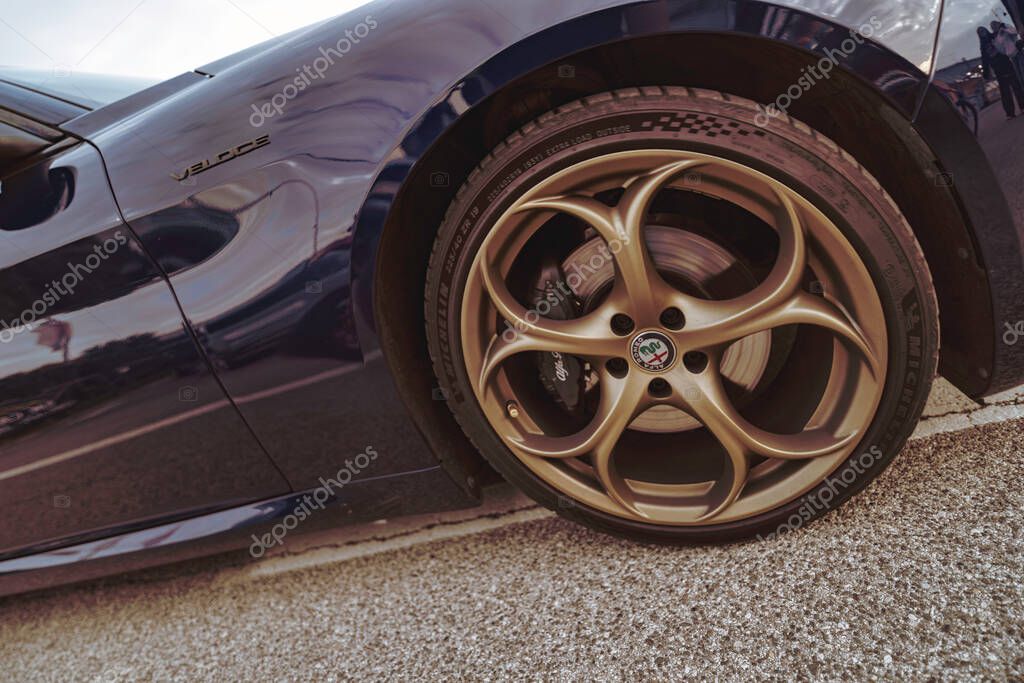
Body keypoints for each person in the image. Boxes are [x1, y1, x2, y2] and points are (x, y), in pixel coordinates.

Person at [979, 26, 1024, 119]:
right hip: (998, 70)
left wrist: (1002, 28)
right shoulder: (983, 46)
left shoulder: (995, 36)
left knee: (1016, 86)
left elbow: (1006, 41)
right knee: (1005, 92)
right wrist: (986, 72)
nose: (982, 33)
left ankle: (1022, 106)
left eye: (983, 30)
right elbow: (985, 60)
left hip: (1007, 64)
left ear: (986, 30)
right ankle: (1010, 113)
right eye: (980, 32)